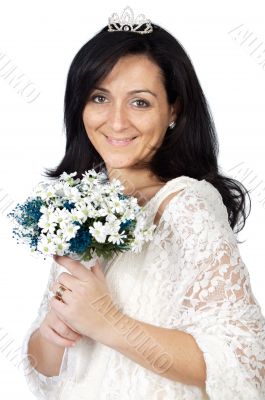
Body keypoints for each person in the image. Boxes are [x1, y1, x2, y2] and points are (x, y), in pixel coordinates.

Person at [21, 6, 265, 400]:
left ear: (173, 110)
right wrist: (54, 329)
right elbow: (45, 369)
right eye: (100, 97)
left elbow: (245, 362)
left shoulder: (187, 205)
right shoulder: (87, 208)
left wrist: (108, 323)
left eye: (140, 102)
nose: (116, 122)